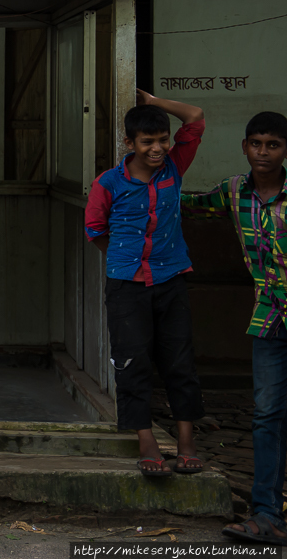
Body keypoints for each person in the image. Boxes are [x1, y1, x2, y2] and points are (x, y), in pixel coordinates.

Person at [84, 89, 206, 477]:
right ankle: (147, 442)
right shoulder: (108, 183)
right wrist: (126, 259)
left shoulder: (175, 167)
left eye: (163, 140)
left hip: (171, 279)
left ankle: (186, 443)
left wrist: (154, 104)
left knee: (179, 362)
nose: (158, 148)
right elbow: (94, 229)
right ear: (129, 143)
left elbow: (196, 116)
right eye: (148, 142)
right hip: (126, 286)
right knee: (132, 363)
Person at [181, 112, 287, 546]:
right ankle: (266, 515)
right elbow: (189, 204)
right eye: (256, 143)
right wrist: (133, 183)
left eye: (273, 145)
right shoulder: (233, 191)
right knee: (266, 418)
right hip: (269, 320)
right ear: (244, 147)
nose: (263, 152)